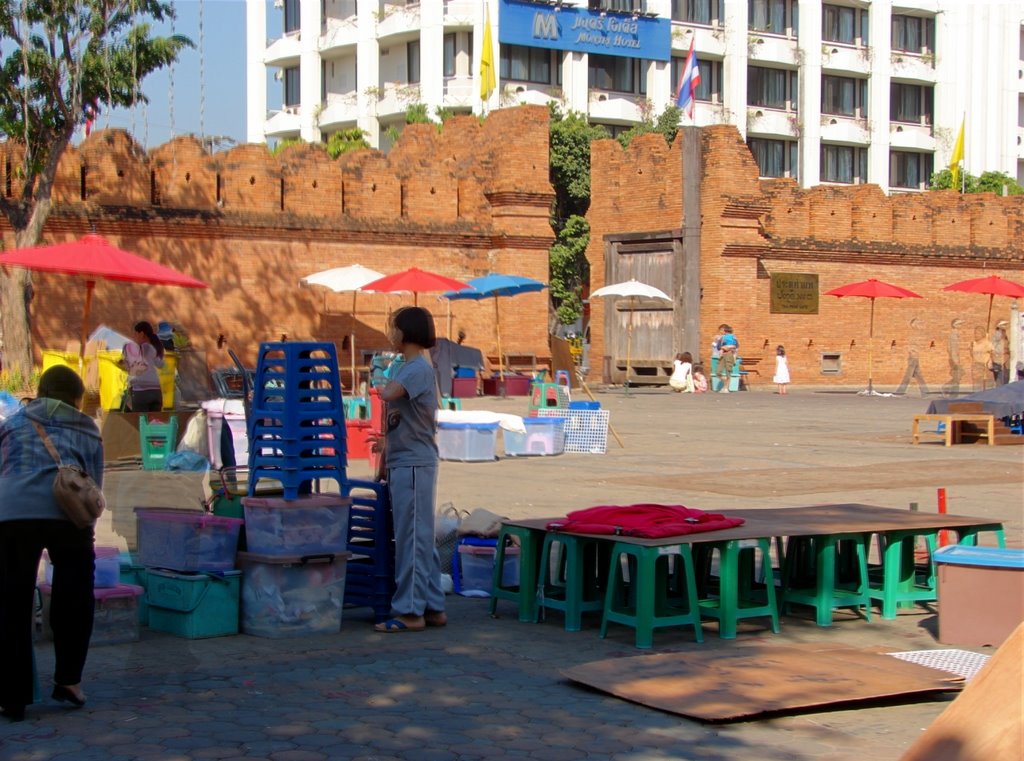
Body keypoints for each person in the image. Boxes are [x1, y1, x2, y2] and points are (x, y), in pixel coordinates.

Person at [0, 366, 104, 722]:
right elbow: (94, 487)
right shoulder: (87, 427)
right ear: (75, 399)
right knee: (74, 593)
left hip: (12, 514)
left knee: (12, 602)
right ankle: (68, 681)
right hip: (68, 513)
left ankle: (12, 697)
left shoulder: (11, 423)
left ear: (41, 392)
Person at [372, 306, 446, 633]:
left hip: (415, 463)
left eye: (393, 328)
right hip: (404, 460)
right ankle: (432, 606)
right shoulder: (407, 367)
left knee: (411, 539)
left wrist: (377, 377)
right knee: (419, 538)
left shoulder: (417, 368)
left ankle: (410, 611)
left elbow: (389, 393)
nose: (390, 334)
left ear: (405, 333)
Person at [121, 321, 165, 412]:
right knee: (155, 422)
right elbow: (161, 365)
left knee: (140, 422)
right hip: (156, 391)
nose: (134, 337)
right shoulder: (154, 348)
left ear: (141, 334)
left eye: (135, 335)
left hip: (141, 392)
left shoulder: (142, 348)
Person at [969, 325, 994, 391]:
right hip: (976, 366)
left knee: (987, 387)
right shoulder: (973, 343)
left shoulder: (987, 343)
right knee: (977, 387)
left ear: (982, 334)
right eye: (974, 333)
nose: (975, 335)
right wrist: (971, 348)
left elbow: (992, 353)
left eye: (977, 333)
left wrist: (990, 361)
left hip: (985, 366)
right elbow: (972, 355)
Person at [717, 325, 738, 392]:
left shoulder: (732, 337)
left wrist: (727, 347)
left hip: (729, 354)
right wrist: (722, 348)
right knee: (718, 372)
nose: (720, 332)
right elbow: (718, 347)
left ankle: (726, 388)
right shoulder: (722, 338)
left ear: (724, 330)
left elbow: (735, 346)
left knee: (728, 371)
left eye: (721, 330)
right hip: (723, 354)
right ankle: (725, 382)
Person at [991, 321, 1009, 386]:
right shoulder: (998, 334)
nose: (1005, 327)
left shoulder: (1004, 335)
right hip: (998, 359)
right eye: (1003, 325)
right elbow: (995, 346)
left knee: (1005, 376)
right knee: (999, 377)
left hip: (1004, 359)